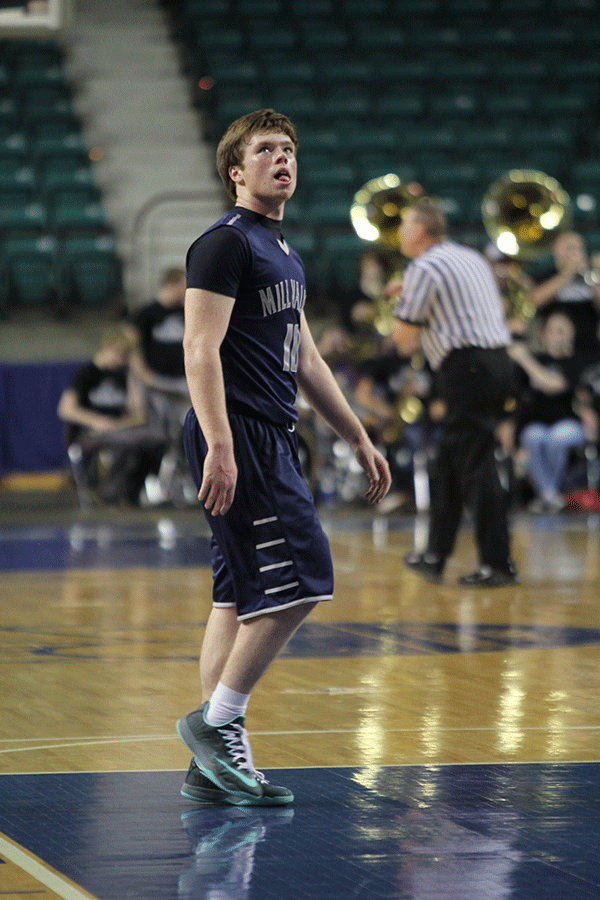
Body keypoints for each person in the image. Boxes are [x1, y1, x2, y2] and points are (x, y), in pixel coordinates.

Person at [176, 109, 391, 807]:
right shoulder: (224, 244)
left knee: (237, 594)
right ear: (236, 172)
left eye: (290, 148)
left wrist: (356, 435)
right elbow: (199, 347)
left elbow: (307, 358)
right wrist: (220, 441)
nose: (282, 158)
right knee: (304, 579)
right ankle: (218, 726)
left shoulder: (285, 254)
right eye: (266, 149)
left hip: (265, 432)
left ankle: (213, 764)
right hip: (239, 432)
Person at [391, 198, 518, 587]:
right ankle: (435, 554)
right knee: (448, 459)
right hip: (497, 362)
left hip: (466, 368)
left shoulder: (423, 267)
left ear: (421, 231)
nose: (399, 233)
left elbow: (403, 341)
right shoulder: (471, 256)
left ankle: (497, 564)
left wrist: (399, 301)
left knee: (475, 462)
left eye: (404, 225)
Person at [57, 325, 167, 505]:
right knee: (125, 441)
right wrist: (96, 420)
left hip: (119, 428)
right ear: (108, 349)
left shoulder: (122, 375)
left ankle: (132, 489)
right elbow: (65, 409)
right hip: (89, 432)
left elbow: (137, 412)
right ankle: (108, 491)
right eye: (121, 354)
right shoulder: (86, 374)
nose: (122, 360)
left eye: (126, 356)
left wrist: (134, 375)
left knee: (158, 438)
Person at [511, 312, 592, 512]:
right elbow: (516, 397)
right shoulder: (536, 359)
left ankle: (547, 494)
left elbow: (552, 386)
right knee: (532, 436)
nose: (558, 335)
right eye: (554, 330)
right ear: (543, 334)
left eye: (563, 330)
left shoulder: (575, 361)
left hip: (570, 425)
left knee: (556, 437)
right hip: (536, 425)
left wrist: (524, 359)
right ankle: (551, 496)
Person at [530, 231, 600, 356]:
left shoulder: (592, 275)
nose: (575, 252)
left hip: (590, 348)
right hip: (551, 351)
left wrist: (595, 275)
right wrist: (567, 273)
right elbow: (533, 301)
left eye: (579, 248)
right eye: (569, 247)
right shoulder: (545, 275)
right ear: (556, 250)